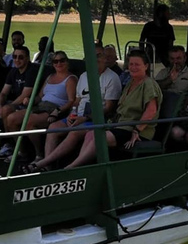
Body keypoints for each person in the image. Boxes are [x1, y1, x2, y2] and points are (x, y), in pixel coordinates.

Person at [22, 44, 122, 173]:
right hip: (78, 116)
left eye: (98, 55)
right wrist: (72, 115)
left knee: (74, 132)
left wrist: (84, 118)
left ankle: (43, 163)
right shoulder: (84, 76)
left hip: (95, 119)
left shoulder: (112, 78)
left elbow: (109, 108)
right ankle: (48, 166)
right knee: (53, 127)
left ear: (104, 58)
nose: (95, 59)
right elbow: (76, 101)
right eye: (92, 56)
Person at [64, 49, 162, 169]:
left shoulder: (149, 84)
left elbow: (151, 111)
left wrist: (137, 130)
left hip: (135, 129)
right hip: (120, 125)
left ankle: (73, 167)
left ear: (146, 66)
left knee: (99, 138)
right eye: (131, 64)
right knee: (90, 135)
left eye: (137, 64)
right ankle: (84, 165)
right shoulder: (131, 83)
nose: (133, 67)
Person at [8, 50, 78, 161]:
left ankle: (39, 155)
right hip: (41, 106)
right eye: (55, 61)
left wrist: (58, 110)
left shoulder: (71, 79)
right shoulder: (50, 77)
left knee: (29, 121)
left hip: (55, 108)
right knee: (11, 118)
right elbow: (40, 96)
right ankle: (22, 151)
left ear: (67, 62)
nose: (58, 64)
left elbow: (71, 101)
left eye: (62, 61)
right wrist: (30, 99)